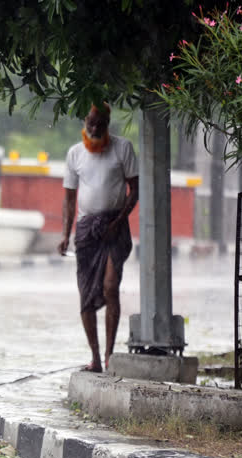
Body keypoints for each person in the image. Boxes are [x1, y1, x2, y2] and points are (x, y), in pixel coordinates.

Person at [58, 103, 139, 373]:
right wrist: (64, 234)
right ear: (84, 121)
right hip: (86, 231)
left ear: (108, 123)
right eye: (90, 123)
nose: (94, 129)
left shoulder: (122, 148)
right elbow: (69, 199)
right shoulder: (75, 154)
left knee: (110, 286)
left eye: (100, 124)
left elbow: (135, 189)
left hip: (115, 228)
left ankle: (109, 355)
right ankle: (94, 359)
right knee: (86, 295)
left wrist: (118, 221)